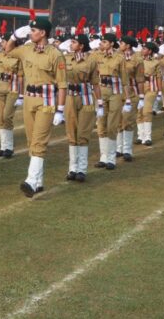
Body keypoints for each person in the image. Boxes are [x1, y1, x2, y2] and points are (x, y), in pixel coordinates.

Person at [15, 12, 62, 197]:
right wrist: (13, 36)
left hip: (47, 101)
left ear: (42, 33)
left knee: (39, 141)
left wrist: (60, 109)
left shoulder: (55, 54)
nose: (30, 33)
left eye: (33, 30)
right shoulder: (27, 49)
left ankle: (31, 181)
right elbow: (7, 50)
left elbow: (63, 84)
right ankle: (39, 181)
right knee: (30, 142)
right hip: (29, 100)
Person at [60, 23, 100, 182]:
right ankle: (72, 168)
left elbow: (95, 83)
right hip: (70, 97)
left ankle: (82, 169)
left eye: (74, 42)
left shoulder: (91, 61)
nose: (71, 44)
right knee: (71, 132)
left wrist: (100, 103)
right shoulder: (65, 58)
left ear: (81, 46)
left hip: (86, 98)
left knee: (83, 133)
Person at [0, 20, 23, 158]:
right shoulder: (0, 55)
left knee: (7, 117)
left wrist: (21, 94)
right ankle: (3, 147)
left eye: (3, 41)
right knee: (1, 119)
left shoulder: (19, 56)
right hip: (1, 88)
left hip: (13, 89)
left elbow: (21, 76)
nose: (1, 44)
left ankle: (9, 147)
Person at [93, 30, 125, 170]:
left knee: (112, 125)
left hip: (115, 92)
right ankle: (103, 157)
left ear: (112, 43)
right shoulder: (96, 55)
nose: (102, 44)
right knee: (101, 123)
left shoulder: (119, 57)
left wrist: (128, 98)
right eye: (102, 41)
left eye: (105, 41)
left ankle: (111, 158)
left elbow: (124, 80)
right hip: (101, 91)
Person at [116, 35, 145, 161]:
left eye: (122, 43)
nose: (120, 45)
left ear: (128, 45)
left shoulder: (137, 59)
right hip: (117, 92)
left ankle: (127, 150)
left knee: (128, 121)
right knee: (117, 121)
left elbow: (140, 80)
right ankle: (118, 148)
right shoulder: (116, 56)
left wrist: (141, 96)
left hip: (131, 92)